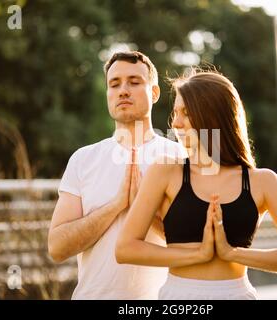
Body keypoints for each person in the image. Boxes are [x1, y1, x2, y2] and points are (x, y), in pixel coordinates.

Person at [116, 70, 277, 300]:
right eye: (175, 114)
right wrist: (199, 254)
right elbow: (125, 249)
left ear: (213, 116)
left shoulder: (262, 181)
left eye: (187, 113)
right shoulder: (165, 172)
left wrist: (231, 253)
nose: (177, 123)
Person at [48, 51, 184, 299]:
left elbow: (195, 246)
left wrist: (145, 208)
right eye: (115, 84)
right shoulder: (83, 159)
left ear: (154, 93)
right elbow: (57, 248)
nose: (123, 90)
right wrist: (116, 205)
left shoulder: (181, 158)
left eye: (134, 82)